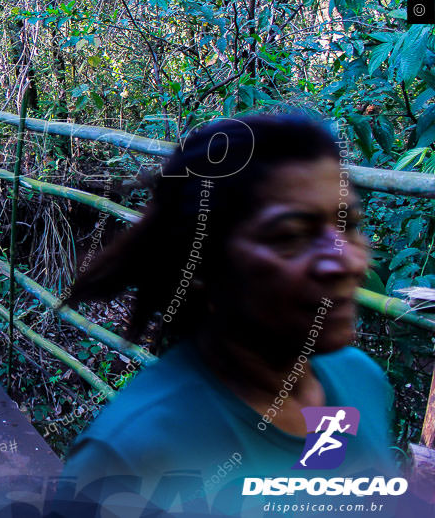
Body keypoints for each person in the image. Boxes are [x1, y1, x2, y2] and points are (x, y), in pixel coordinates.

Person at [52, 115, 400, 517]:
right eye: (289, 236)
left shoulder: (359, 380)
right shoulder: (129, 460)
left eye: (349, 226)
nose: (348, 261)